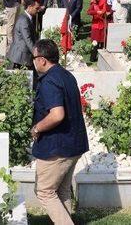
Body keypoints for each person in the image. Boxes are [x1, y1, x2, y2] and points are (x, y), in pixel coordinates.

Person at [30, 39, 89, 224]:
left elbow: (57, 115)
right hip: (74, 143)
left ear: (42, 60)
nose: (32, 62)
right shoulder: (66, 75)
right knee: (61, 190)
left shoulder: (49, 81)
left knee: (45, 191)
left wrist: (37, 127)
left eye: (34, 58)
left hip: (57, 147)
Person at [7, 0, 39, 70]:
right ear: (30, 7)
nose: (37, 11)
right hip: (19, 58)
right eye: (36, 8)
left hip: (24, 57)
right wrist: (35, 52)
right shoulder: (24, 19)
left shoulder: (28, 18)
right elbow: (27, 38)